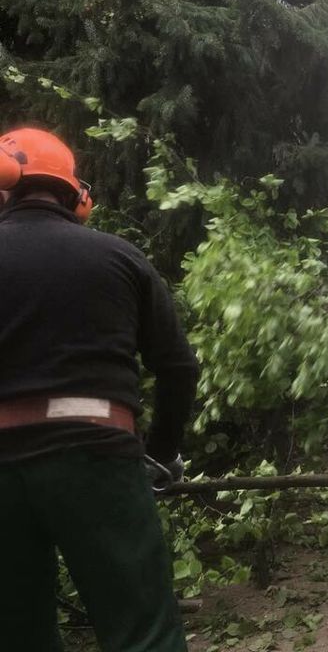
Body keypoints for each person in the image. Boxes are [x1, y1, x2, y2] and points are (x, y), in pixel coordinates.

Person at [0, 127, 199, 651]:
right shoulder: (119, 257)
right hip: (97, 459)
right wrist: (161, 455)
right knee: (143, 632)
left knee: (17, 635)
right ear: (75, 194)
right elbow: (178, 367)